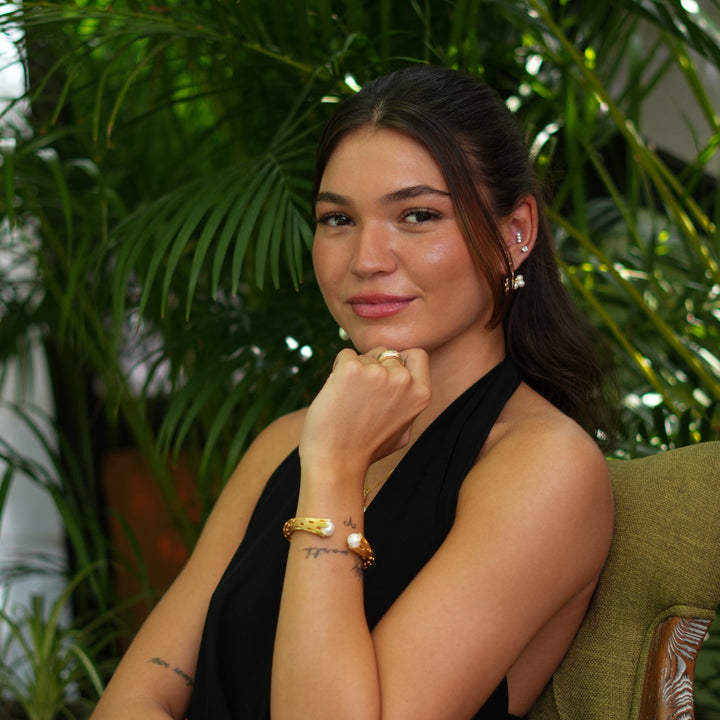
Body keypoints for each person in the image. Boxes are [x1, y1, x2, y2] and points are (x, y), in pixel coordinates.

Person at [90, 65, 615, 720]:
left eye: (418, 215)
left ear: (516, 233)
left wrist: (336, 470)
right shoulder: (287, 441)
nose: (366, 259)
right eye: (337, 219)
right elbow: (137, 695)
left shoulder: (544, 470)